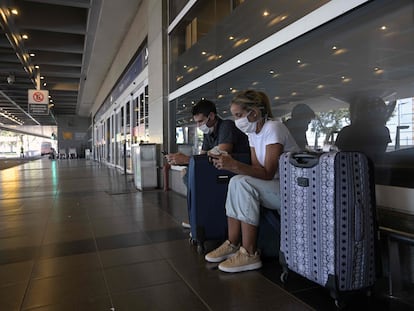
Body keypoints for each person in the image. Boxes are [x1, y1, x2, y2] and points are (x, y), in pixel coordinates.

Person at [204, 89, 299, 273]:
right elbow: (255, 170)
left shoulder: (274, 128)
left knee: (241, 182)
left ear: (253, 112)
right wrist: (230, 166)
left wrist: (234, 165)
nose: (237, 120)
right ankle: (232, 244)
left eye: (239, 115)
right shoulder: (253, 133)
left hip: (291, 190)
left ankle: (249, 253)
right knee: (236, 181)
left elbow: (268, 173)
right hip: (274, 186)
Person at [165, 99, 250, 227]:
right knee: (188, 173)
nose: (199, 126)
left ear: (211, 116)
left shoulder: (226, 125)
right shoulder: (208, 133)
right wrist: (183, 161)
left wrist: (187, 160)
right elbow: (202, 158)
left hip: (237, 168)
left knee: (193, 177)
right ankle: (198, 216)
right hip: (222, 169)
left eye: (200, 121)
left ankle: (202, 217)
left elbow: (222, 153)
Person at [335, 95, 391, 164]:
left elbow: (341, 153)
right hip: (374, 170)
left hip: (350, 171)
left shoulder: (345, 131)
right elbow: (380, 154)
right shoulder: (383, 131)